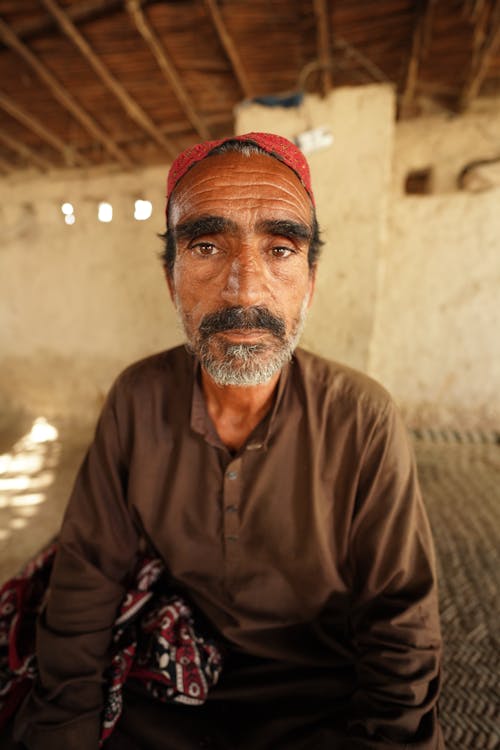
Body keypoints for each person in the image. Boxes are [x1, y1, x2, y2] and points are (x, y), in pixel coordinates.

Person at [13, 132, 443, 749]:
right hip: (174, 682)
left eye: (280, 249)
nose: (245, 288)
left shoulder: (363, 417)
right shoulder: (135, 399)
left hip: (319, 690)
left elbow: (401, 622)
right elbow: (87, 576)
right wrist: (65, 726)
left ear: (311, 282)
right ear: (170, 279)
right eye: (207, 245)